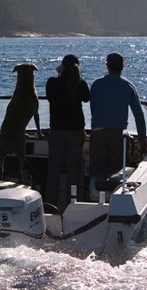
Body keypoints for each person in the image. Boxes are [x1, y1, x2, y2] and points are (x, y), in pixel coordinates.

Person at [88, 52, 147, 177]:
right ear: (122, 66)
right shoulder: (128, 86)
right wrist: (142, 141)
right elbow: (139, 116)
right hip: (118, 134)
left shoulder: (96, 84)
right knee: (119, 172)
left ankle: (93, 194)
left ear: (107, 66)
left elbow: (93, 110)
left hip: (98, 133)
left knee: (96, 170)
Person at [45, 54, 90, 208]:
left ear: (62, 67)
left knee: (54, 170)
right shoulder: (80, 84)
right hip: (76, 131)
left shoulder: (52, 83)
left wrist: (59, 74)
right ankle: (73, 204)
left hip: (56, 130)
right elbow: (87, 99)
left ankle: (49, 204)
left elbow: (50, 97)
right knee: (73, 170)